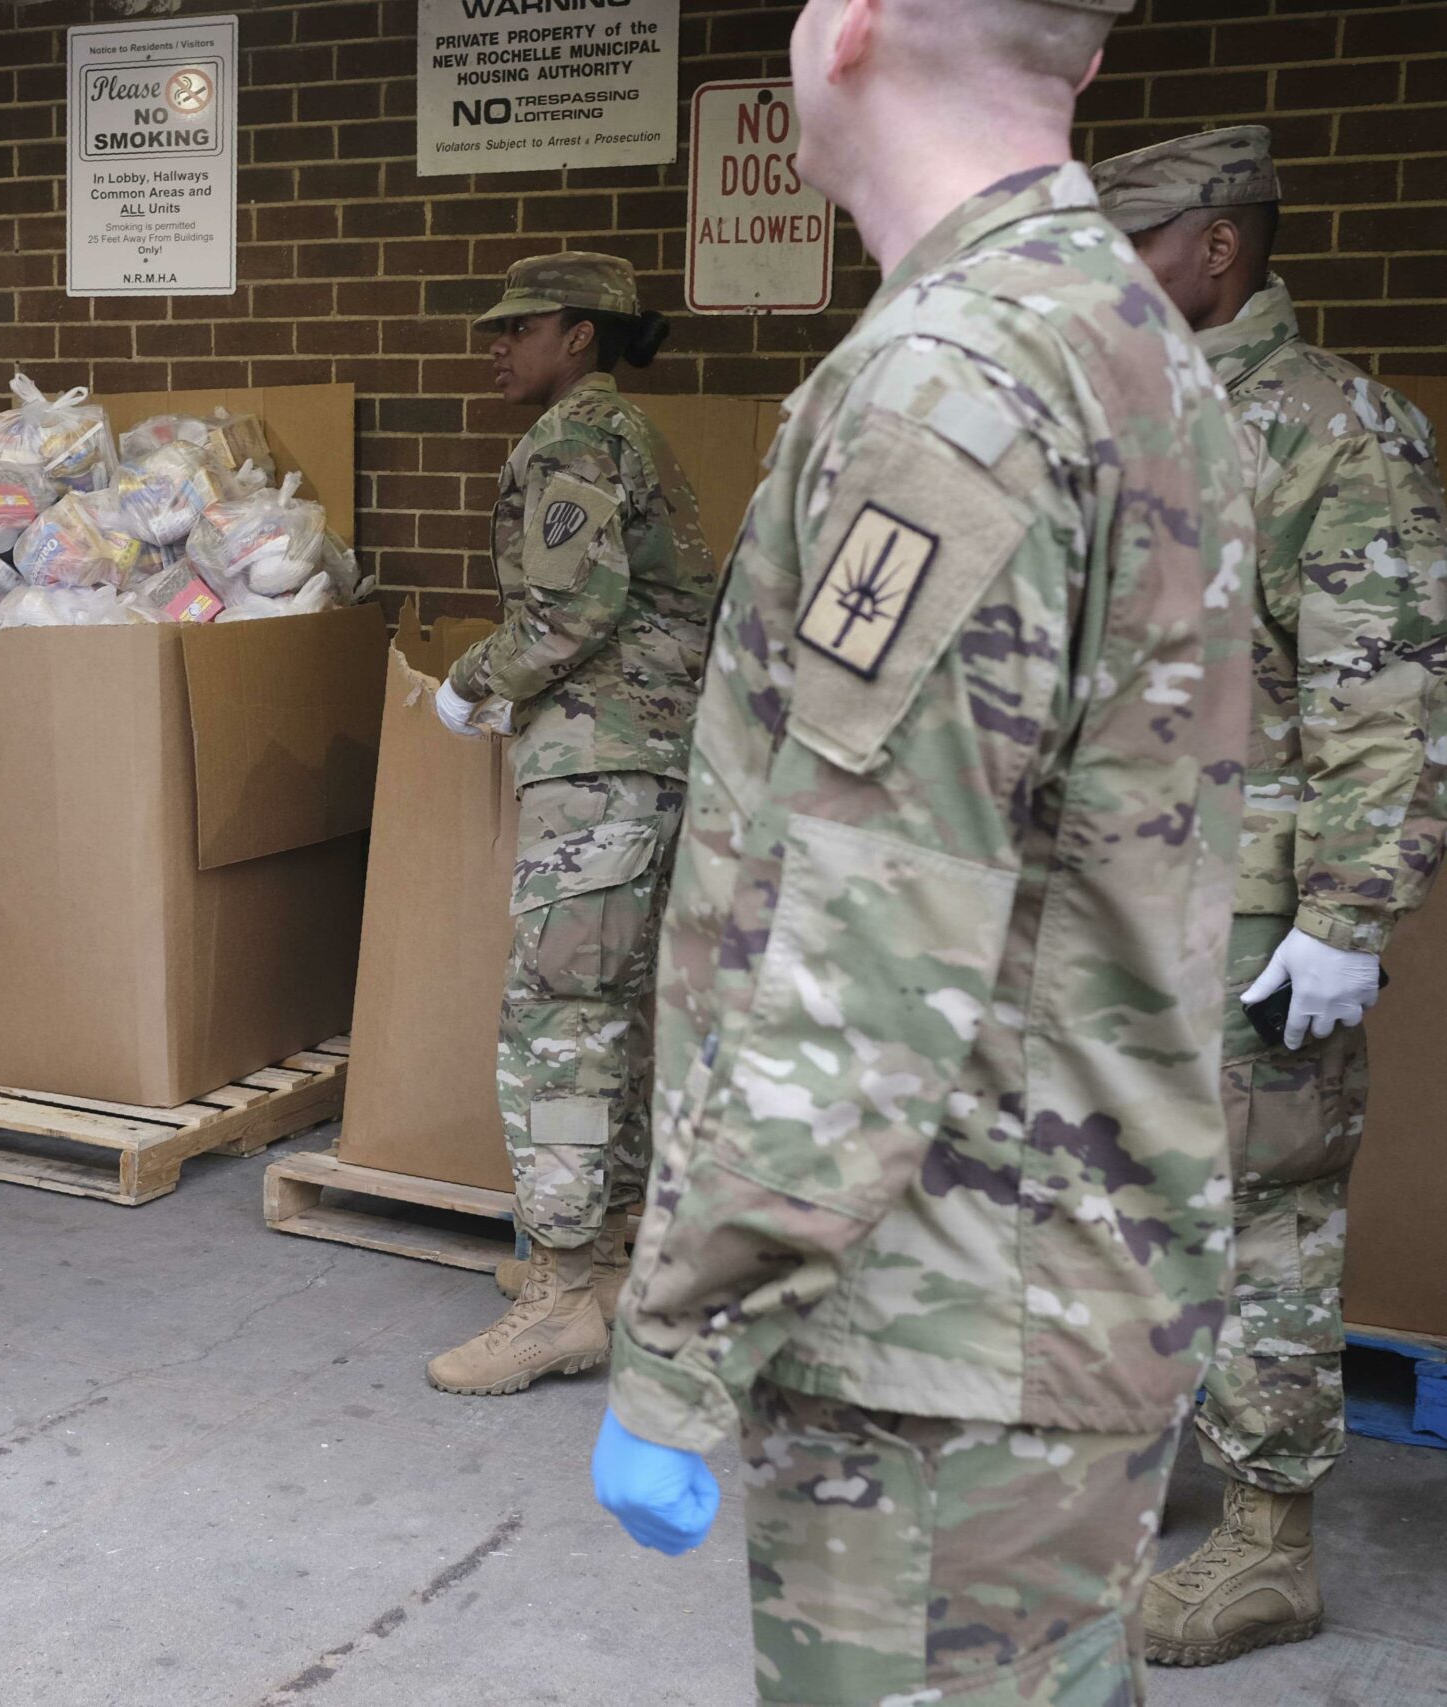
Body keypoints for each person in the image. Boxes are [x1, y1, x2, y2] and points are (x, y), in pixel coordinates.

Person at [588, 1, 1262, 1700]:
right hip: (1055, 1280)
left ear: (851, 30)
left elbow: (872, 935)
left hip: (944, 1329)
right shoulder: (1120, 335)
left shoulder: (950, 387)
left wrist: (682, 1329)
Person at [1091, 125, 1447, 1670]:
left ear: (1218, 245)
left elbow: (1394, 694)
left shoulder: (1331, 429)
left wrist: (1350, 914)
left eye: (1139, 234)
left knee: (1264, 1221)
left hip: (1253, 909)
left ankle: (1266, 1538)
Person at [425, 253, 716, 1398]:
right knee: (618, 1014)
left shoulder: (574, 440)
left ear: (581, 337)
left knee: (559, 1022)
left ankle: (555, 1296)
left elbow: (565, 613)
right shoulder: (625, 435)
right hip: (647, 765)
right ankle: (603, 1261)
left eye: (519, 326)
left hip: (598, 768)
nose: (494, 345)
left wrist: (469, 680)